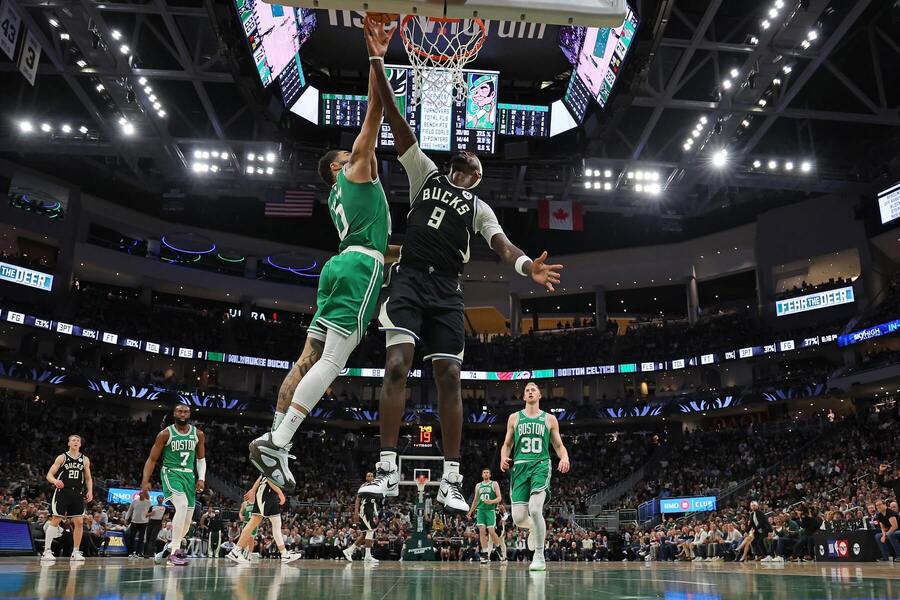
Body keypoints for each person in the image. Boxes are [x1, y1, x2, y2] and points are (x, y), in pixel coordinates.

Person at [358, 19, 564, 514]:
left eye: (473, 162)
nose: (467, 159)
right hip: (408, 279)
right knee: (395, 365)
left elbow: (504, 247)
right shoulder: (424, 170)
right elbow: (391, 112)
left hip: (447, 291)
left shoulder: (479, 207)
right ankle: (387, 466)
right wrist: (378, 59)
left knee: (449, 376)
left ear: (476, 175)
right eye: (464, 157)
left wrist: (526, 271)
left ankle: (452, 476)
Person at [250, 57, 397, 492]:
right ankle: (279, 441)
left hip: (338, 266)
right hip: (359, 268)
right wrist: (375, 57)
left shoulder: (339, 195)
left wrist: (413, 250)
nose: (358, 154)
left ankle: (274, 433)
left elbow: (375, 243)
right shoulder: (355, 172)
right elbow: (374, 112)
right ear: (339, 166)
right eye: (348, 155)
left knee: (307, 359)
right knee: (333, 362)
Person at [499, 382, 570, 571]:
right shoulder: (514, 418)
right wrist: (503, 457)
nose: (530, 392)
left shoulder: (549, 419)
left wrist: (564, 457)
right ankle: (532, 528)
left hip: (540, 465)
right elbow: (507, 443)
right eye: (527, 390)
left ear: (539, 395)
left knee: (536, 509)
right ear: (523, 397)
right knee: (518, 518)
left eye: (533, 390)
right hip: (520, 467)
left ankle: (539, 555)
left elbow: (558, 445)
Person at [141, 405, 206, 566]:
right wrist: (145, 481)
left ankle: (165, 551)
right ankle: (175, 552)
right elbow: (152, 459)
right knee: (182, 506)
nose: (182, 414)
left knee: (186, 523)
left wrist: (202, 478)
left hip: (189, 476)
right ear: (174, 414)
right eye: (179, 411)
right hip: (171, 473)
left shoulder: (198, 434)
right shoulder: (165, 434)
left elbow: (201, 459)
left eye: (185, 412)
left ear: (189, 414)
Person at [42, 434, 93, 563]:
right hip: (63, 492)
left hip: (77, 494)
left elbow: (88, 478)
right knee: (56, 519)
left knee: (79, 522)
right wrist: (55, 481)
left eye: (78, 441)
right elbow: (49, 474)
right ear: (69, 443)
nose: (76, 442)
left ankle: (75, 552)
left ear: (80, 444)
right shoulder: (62, 457)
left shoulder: (85, 459)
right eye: (73, 440)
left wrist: (90, 491)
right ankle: (46, 551)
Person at [227, 477, 301, 564]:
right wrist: (280, 493)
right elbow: (268, 476)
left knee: (277, 523)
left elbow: (262, 475)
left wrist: (253, 490)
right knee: (255, 520)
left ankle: (284, 554)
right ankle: (236, 551)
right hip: (265, 492)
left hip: (272, 494)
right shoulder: (276, 463)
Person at [466, 468, 506, 564]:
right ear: (482, 475)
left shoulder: (494, 484)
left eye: (487, 472)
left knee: (492, 532)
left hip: (490, 510)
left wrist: (491, 501)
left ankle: (498, 548)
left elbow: (499, 497)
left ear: (490, 475)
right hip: (480, 511)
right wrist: (470, 512)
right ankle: (484, 553)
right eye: (484, 472)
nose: (486, 474)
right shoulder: (478, 485)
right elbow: (475, 500)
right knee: (482, 531)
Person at [342, 472, 380, 563]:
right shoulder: (363, 486)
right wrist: (356, 511)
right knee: (370, 531)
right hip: (364, 511)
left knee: (364, 534)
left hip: (370, 511)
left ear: (373, 477)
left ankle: (349, 551)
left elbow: (373, 502)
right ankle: (367, 556)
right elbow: (358, 499)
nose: (370, 477)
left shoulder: (375, 487)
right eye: (368, 475)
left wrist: (376, 514)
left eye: (371, 475)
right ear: (366, 477)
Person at [124, 490, 151, 558]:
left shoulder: (148, 502)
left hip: (144, 522)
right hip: (134, 522)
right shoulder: (134, 501)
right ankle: (131, 552)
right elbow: (130, 510)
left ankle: (138, 553)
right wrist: (126, 519)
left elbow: (150, 512)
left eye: (143, 493)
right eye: (141, 493)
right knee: (131, 537)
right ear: (139, 494)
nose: (142, 494)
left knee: (141, 538)